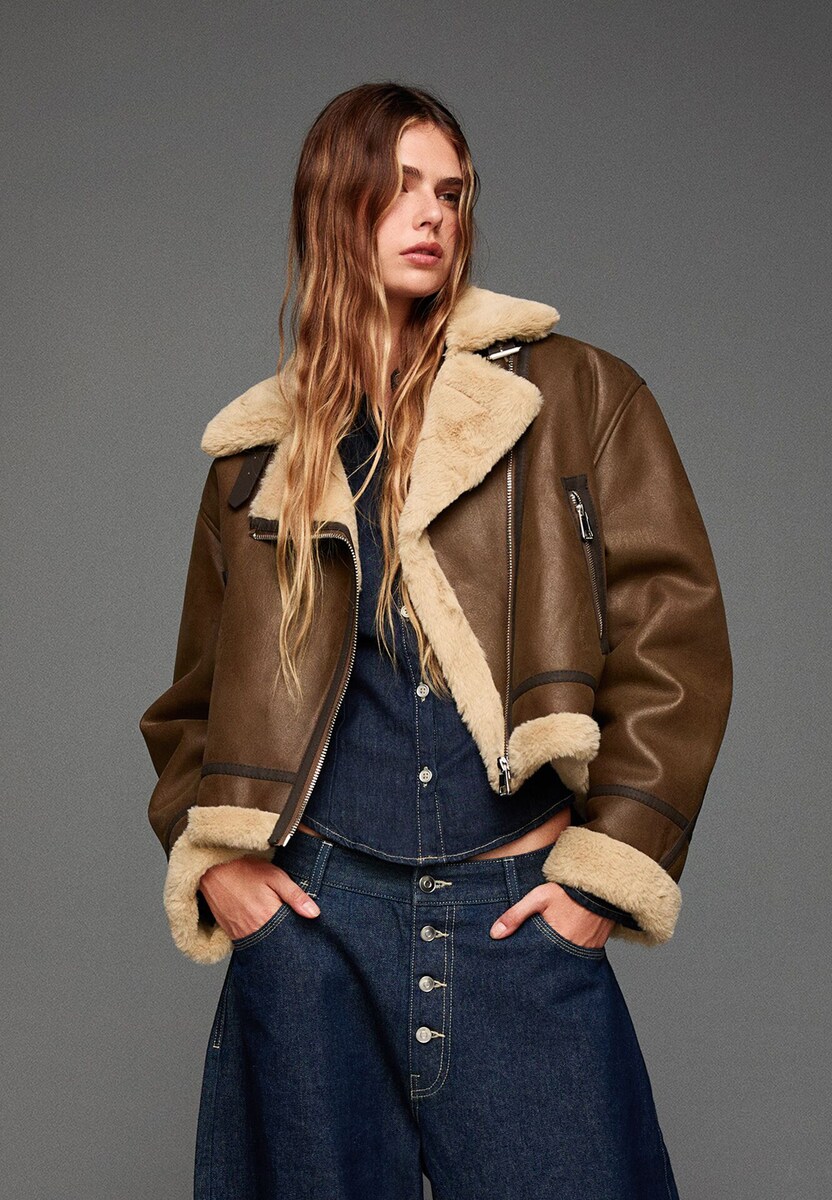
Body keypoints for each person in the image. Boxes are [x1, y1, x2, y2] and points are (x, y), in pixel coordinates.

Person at [140, 81, 733, 1200]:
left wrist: (600, 878)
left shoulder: (573, 394)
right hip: (315, 924)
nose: (432, 215)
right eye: (400, 187)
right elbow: (193, 705)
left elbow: (678, 640)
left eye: (451, 193)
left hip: (515, 916)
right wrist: (220, 867)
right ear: (334, 208)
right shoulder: (258, 459)